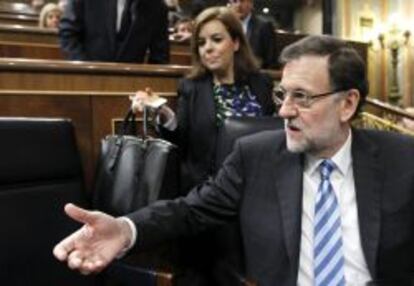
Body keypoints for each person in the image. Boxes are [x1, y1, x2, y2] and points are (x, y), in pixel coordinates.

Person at [54, 35, 414, 285]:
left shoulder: (403, 159)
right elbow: (188, 210)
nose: (285, 111)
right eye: (281, 94)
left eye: (302, 97)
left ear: (347, 104)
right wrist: (125, 229)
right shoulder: (254, 156)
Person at [132, 6, 274, 194]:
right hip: (209, 190)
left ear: (236, 43)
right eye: (201, 42)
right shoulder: (191, 87)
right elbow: (181, 143)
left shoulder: (261, 83)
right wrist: (162, 111)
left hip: (258, 185)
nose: (208, 48)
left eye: (216, 39)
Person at [59, 0, 169, 63]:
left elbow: (160, 56)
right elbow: (68, 35)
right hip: (87, 80)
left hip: (132, 87)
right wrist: (84, 67)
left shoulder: (157, 6)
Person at [229, 0, 277, 69]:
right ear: (230, 4)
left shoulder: (264, 26)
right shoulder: (224, 25)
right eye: (235, 1)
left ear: (251, 3)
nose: (238, 5)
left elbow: (271, 61)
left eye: (242, 1)